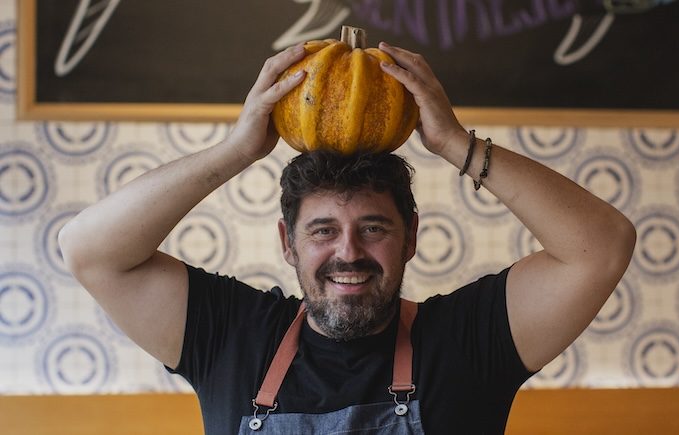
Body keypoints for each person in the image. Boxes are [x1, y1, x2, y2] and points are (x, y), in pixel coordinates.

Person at [59, 42, 636, 434]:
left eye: (374, 228)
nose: (348, 253)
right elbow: (91, 249)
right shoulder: (230, 337)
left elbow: (602, 246)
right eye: (323, 231)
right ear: (288, 243)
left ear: (410, 238)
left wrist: (455, 143)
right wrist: (235, 150)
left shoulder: (467, 343)